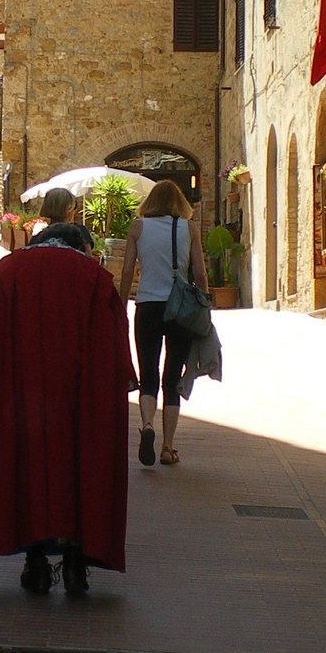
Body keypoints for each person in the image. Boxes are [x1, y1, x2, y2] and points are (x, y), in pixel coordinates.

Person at [0, 224, 136, 595]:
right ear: (79, 246)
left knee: (27, 473)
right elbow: (116, 353)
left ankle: (35, 561)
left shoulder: (5, 272)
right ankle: (74, 564)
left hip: (20, 399)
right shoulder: (95, 279)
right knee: (78, 472)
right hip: (78, 401)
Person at [120, 180, 208, 468]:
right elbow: (199, 271)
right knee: (172, 377)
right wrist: (204, 306)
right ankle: (168, 447)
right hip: (180, 308)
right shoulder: (189, 229)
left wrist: (121, 305)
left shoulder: (138, 227)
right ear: (179, 202)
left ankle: (147, 425)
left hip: (147, 306)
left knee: (148, 372)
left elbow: (127, 270)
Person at [27, 186, 95, 254]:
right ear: (69, 209)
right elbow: (88, 259)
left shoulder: (37, 239)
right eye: (74, 207)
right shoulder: (80, 232)